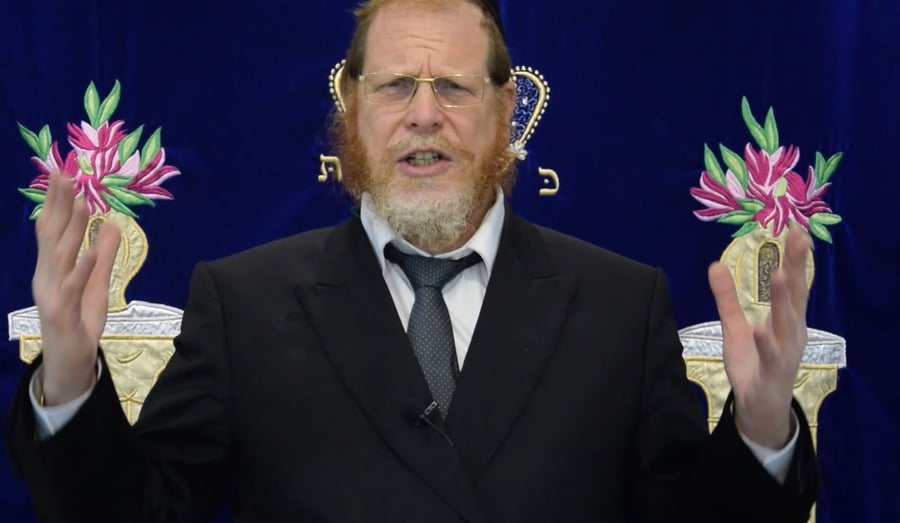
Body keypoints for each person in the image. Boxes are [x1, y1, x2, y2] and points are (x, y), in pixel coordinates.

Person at [7, 0, 819, 521]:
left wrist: (761, 428)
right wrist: (70, 385)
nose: (424, 114)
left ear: (506, 110)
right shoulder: (243, 302)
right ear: (352, 110)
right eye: (395, 86)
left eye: (455, 89)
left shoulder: (621, 305)